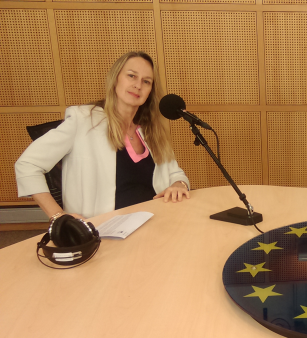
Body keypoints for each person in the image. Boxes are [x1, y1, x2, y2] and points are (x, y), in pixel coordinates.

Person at [15, 51, 190, 221]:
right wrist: (57, 216)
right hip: (104, 232)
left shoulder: (150, 131)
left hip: (155, 222)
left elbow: (175, 173)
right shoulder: (83, 121)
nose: (138, 85)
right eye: (131, 76)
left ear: (150, 91)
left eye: (146, 81)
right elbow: (27, 165)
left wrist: (178, 184)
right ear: (115, 80)